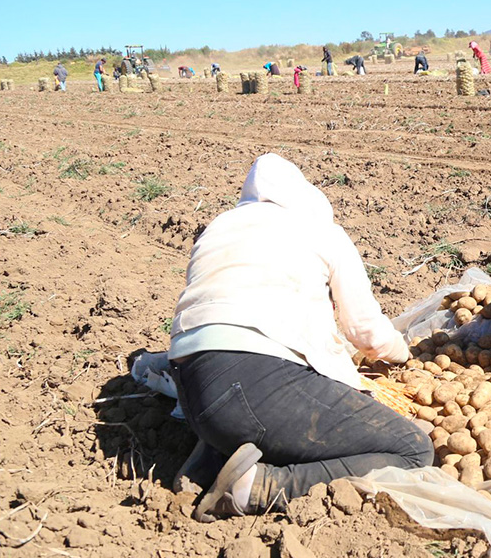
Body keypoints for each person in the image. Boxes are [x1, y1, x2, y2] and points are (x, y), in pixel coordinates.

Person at [166, 153, 434, 521]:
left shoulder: (220, 226)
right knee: (413, 450)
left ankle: (211, 461)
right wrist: (403, 356)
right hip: (255, 380)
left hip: (193, 389)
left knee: (277, 420)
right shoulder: (319, 230)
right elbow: (364, 330)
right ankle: (259, 487)